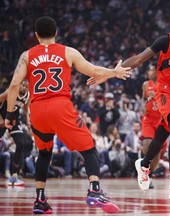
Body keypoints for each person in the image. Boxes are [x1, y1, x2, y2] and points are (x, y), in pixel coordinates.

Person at [4, 16, 131, 214]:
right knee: (89, 148)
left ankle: (39, 199)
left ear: (36, 36)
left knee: (44, 153)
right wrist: (114, 72)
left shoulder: (26, 56)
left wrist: (11, 115)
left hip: (37, 110)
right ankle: (95, 191)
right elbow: (93, 70)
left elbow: (13, 86)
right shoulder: (67, 52)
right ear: (56, 33)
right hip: (59, 106)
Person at [90, 9, 170, 199]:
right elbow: (140, 58)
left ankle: (143, 165)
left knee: (163, 134)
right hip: (165, 90)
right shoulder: (165, 40)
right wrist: (110, 72)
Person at [0, 80, 29, 186]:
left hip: (12, 121)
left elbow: (25, 110)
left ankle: (14, 175)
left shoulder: (26, 96)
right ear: (19, 84)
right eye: (23, 85)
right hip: (2, 119)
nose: (24, 88)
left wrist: (29, 123)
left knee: (21, 142)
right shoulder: (10, 92)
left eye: (26, 87)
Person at [140, 62, 163, 188]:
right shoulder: (145, 85)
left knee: (157, 151)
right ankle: (142, 162)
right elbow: (143, 100)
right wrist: (143, 107)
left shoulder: (164, 84)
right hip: (148, 119)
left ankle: (149, 176)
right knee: (147, 144)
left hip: (161, 120)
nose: (149, 72)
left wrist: (158, 97)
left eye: (151, 70)